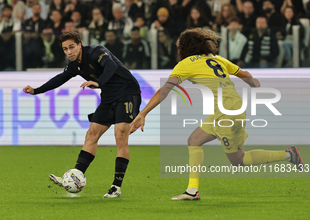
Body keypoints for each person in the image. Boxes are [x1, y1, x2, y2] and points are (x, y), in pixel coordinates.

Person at [129, 28, 303, 200]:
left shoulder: (186, 64)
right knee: (194, 140)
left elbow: (165, 90)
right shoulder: (216, 59)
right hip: (231, 108)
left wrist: (143, 113)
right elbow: (245, 74)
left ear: (185, 48)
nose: (178, 50)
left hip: (225, 112)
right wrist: (254, 84)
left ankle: (288, 154)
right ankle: (192, 190)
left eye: (179, 46)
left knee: (238, 160)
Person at [23, 31, 141, 198]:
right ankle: (75, 176)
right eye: (65, 49)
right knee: (91, 134)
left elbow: (111, 66)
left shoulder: (96, 52)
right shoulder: (74, 65)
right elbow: (60, 78)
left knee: (120, 136)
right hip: (108, 96)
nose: (69, 51)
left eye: (71, 47)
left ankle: (116, 187)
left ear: (80, 45)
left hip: (127, 92)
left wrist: (99, 82)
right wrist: (36, 90)